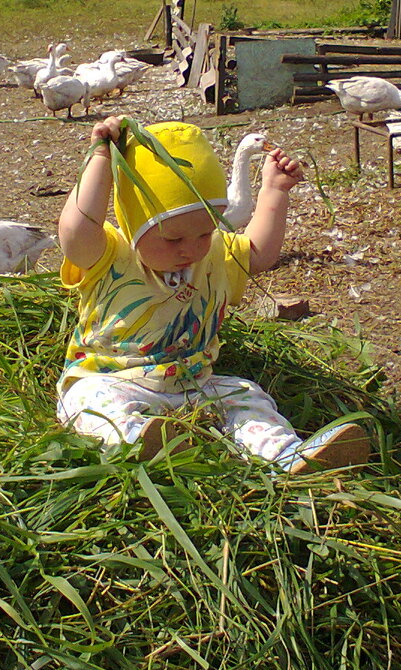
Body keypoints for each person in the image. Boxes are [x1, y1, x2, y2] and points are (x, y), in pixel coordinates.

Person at [56, 116, 370, 474]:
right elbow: (75, 228)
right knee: (88, 402)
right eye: (173, 238)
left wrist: (275, 191)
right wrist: (100, 159)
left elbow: (259, 252)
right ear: (135, 224)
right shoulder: (110, 256)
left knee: (245, 395)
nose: (190, 249)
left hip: (194, 384)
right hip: (114, 380)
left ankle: (287, 457)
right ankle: (138, 444)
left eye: (204, 232)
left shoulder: (214, 255)